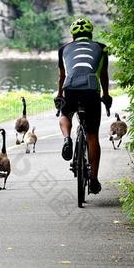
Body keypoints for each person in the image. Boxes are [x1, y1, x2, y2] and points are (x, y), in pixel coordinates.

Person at [54, 18, 112, 194]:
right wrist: (106, 95)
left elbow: (62, 76)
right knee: (92, 135)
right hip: (90, 90)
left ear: (73, 35)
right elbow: (103, 75)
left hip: (70, 88)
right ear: (91, 34)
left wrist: (59, 95)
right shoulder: (102, 48)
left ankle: (66, 139)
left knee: (65, 115)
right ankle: (93, 179)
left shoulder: (63, 49)